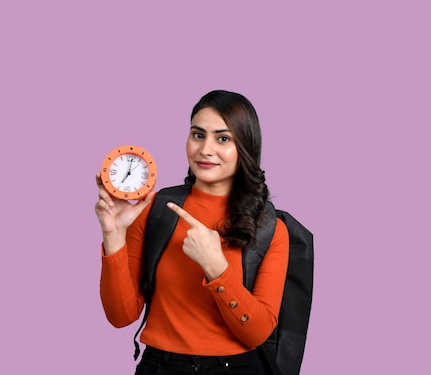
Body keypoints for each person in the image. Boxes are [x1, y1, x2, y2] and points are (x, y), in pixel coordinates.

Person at [95, 90, 289, 374]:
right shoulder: (154, 208)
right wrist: (113, 235)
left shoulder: (270, 228)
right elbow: (121, 316)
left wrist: (216, 267)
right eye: (198, 135)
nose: (205, 149)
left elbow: (258, 333)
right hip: (159, 366)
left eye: (223, 138)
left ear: (245, 147)